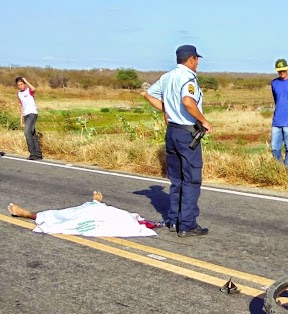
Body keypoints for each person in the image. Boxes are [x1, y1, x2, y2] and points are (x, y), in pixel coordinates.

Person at [143, 44, 212, 238]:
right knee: (191, 180)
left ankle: (173, 220)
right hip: (186, 133)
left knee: (176, 180)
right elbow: (188, 102)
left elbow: (149, 95)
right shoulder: (187, 77)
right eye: (196, 59)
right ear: (191, 59)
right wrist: (204, 121)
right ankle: (187, 225)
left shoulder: (167, 77)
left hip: (172, 131)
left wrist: (167, 111)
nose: (197, 63)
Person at [7, 191, 158, 237]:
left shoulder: (130, 224)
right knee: (77, 212)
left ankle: (31, 215)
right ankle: (96, 202)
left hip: (100, 214)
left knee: (72, 217)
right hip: (100, 210)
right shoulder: (131, 220)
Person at [16, 77, 43, 160]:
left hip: (32, 113)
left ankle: (33, 154)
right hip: (25, 115)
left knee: (27, 132)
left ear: (24, 84)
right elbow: (21, 107)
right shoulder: (19, 94)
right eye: (18, 85)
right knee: (33, 135)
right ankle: (38, 154)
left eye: (21, 84)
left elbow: (34, 89)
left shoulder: (29, 90)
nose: (20, 86)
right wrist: (21, 120)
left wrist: (26, 81)